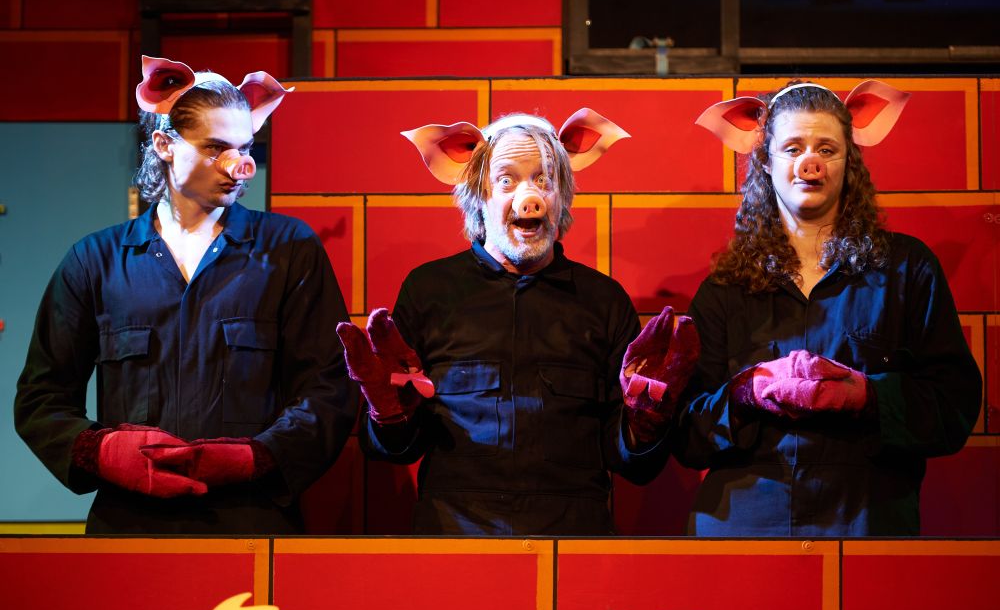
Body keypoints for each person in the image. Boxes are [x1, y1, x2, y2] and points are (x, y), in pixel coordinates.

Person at [14, 55, 358, 534]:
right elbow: (41, 400)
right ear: (165, 145)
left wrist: (255, 458)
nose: (239, 167)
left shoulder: (288, 249)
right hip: (129, 525)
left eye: (245, 148)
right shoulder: (95, 260)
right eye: (216, 148)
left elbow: (330, 389)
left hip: (250, 523)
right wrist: (103, 452)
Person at [336, 109, 699, 535]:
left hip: (573, 539)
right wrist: (389, 412)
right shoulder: (428, 291)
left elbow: (636, 467)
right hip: (456, 537)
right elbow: (394, 451)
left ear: (562, 196)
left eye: (544, 180)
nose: (531, 197)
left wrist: (646, 422)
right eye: (507, 181)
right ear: (479, 194)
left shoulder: (604, 302)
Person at [675, 80, 982, 536]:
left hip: (865, 526)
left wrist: (868, 396)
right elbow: (686, 436)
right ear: (766, 162)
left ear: (848, 161)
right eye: (792, 148)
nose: (810, 163)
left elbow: (953, 407)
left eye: (826, 149)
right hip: (746, 533)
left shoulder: (907, 270)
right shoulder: (724, 289)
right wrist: (745, 395)